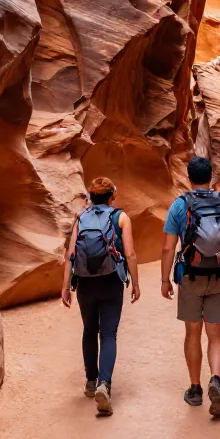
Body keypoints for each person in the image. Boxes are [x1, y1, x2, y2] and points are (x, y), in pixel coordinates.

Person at [160, 156, 220, 418]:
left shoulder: (179, 205)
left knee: (192, 333)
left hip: (190, 277)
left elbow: (168, 247)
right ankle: (217, 379)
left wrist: (165, 279)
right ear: (212, 176)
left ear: (189, 178)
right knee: (216, 335)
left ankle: (196, 389)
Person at [61, 177, 141, 416]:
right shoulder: (121, 218)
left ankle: (90, 382)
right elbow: (130, 253)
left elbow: (71, 254)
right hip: (111, 282)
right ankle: (104, 384)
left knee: (89, 330)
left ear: (91, 197)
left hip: (85, 283)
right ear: (111, 196)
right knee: (108, 334)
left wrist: (65, 285)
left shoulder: (81, 219)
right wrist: (135, 283)